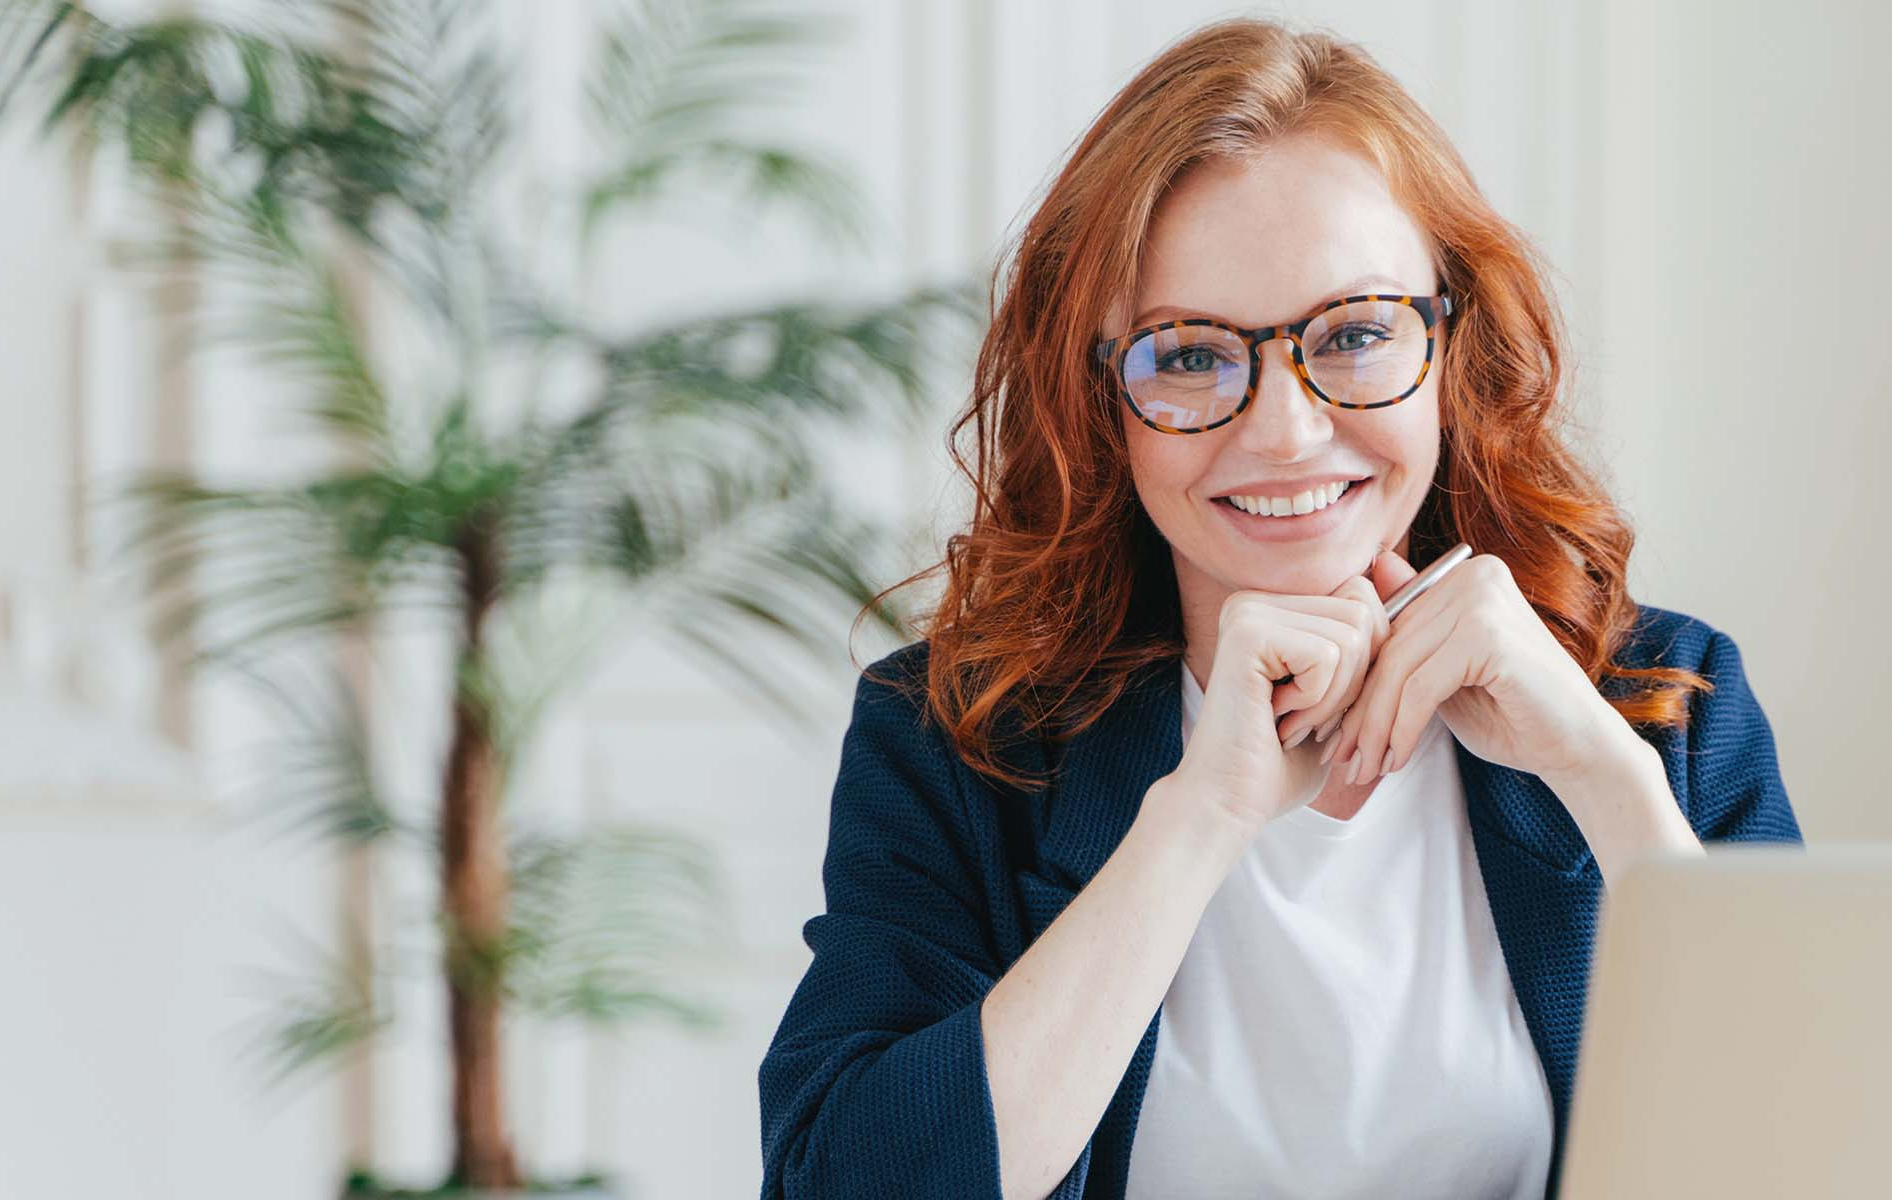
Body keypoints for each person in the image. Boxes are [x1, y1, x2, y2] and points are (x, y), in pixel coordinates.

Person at [756, 16, 1801, 1200]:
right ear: (1098, 398)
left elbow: (1837, 1153)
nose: (1286, 430)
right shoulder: (954, 736)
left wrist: (1605, 777)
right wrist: (1194, 822)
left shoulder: (1661, 703)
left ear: (1451, 344)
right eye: (1190, 356)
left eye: (1354, 334)